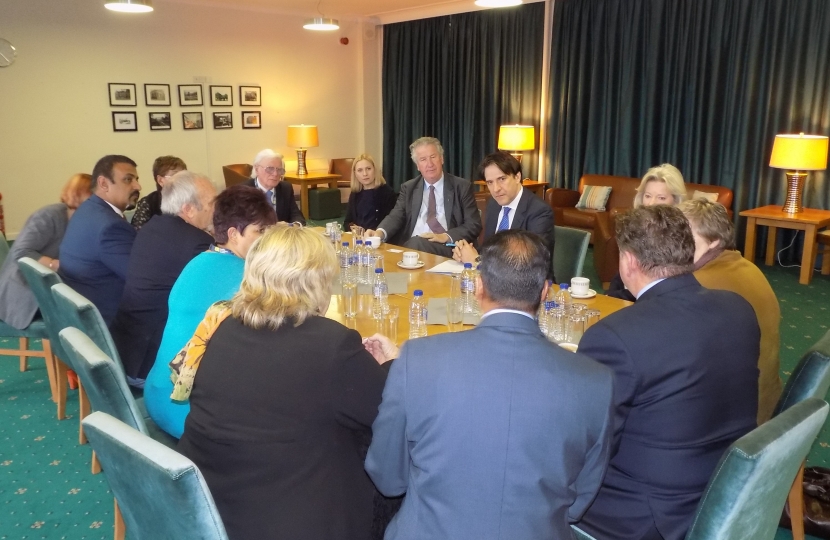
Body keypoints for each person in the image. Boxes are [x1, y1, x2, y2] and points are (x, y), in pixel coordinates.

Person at [365, 230, 615, 540]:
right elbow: (577, 503)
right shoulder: (595, 381)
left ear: (478, 286)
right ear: (545, 292)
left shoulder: (418, 358)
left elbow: (388, 478)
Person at [176, 225, 390, 540]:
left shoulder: (221, 329)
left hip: (210, 507)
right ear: (315, 283)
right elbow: (387, 411)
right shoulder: (330, 345)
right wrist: (390, 365)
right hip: (289, 520)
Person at [576, 205, 760, 540]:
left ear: (629, 260)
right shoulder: (738, 309)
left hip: (649, 514)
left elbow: (590, 446)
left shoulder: (616, 336)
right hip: (727, 489)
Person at [143, 185, 277, 438]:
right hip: (189, 414)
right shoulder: (246, 279)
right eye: (260, 231)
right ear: (234, 234)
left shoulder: (198, 262)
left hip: (158, 393)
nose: (268, 239)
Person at [679, 198, 782, 424]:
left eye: (686, 237)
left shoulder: (699, 285)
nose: (676, 243)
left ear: (714, 241)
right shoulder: (747, 267)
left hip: (736, 420)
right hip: (767, 409)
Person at [110, 172, 217, 388]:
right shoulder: (196, 243)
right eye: (212, 203)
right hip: (153, 365)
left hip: (126, 353)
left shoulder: (152, 227)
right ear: (188, 209)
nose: (217, 209)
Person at [0, 174, 92, 329]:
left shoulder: (86, 222)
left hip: (50, 289)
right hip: (24, 294)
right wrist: (56, 264)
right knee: (84, 315)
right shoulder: (48, 216)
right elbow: (21, 253)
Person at [59, 155, 141, 325]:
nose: (138, 186)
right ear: (103, 183)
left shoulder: (87, 210)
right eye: (128, 180)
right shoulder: (110, 226)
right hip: (108, 321)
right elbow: (141, 279)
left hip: (80, 311)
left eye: (136, 179)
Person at [365, 137, 481, 257]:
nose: (429, 164)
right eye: (423, 159)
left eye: (433, 157)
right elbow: (396, 215)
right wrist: (379, 232)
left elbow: (473, 224)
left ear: (441, 159)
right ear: (418, 166)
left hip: (447, 248)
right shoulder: (409, 188)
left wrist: (444, 236)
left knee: (414, 244)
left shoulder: (461, 187)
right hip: (413, 246)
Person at [452, 151, 555, 274]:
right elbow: (489, 249)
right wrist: (465, 251)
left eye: (501, 179)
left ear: (517, 177)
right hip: (494, 283)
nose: (496, 189)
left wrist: (476, 260)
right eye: (490, 182)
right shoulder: (494, 204)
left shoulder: (539, 211)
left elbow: (529, 265)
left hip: (528, 287)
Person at [606, 163, 688, 300]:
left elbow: (659, 286)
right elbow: (621, 275)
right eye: (648, 196)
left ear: (675, 202)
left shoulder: (679, 237)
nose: (651, 203)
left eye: (661, 198)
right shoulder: (636, 227)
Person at [245, 148, 305, 225]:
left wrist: (294, 226)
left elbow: (297, 216)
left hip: (281, 236)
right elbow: (241, 224)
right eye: (270, 169)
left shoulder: (285, 188)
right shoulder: (244, 191)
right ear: (257, 169)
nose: (275, 174)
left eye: (280, 170)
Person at [130, 155, 186, 230]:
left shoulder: (192, 199)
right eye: (176, 175)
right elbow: (139, 232)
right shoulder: (148, 202)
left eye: (184, 176)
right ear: (160, 180)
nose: (182, 180)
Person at [343, 154, 397, 230]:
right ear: (355, 173)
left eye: (368, 169)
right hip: (358, 238)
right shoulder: (355, 193)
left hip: (378, 239)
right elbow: (347, 222)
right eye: (360, 170)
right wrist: (352, 228)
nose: (365, 174)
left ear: (375, 170)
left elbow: (392, 223)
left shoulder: (387, 193)